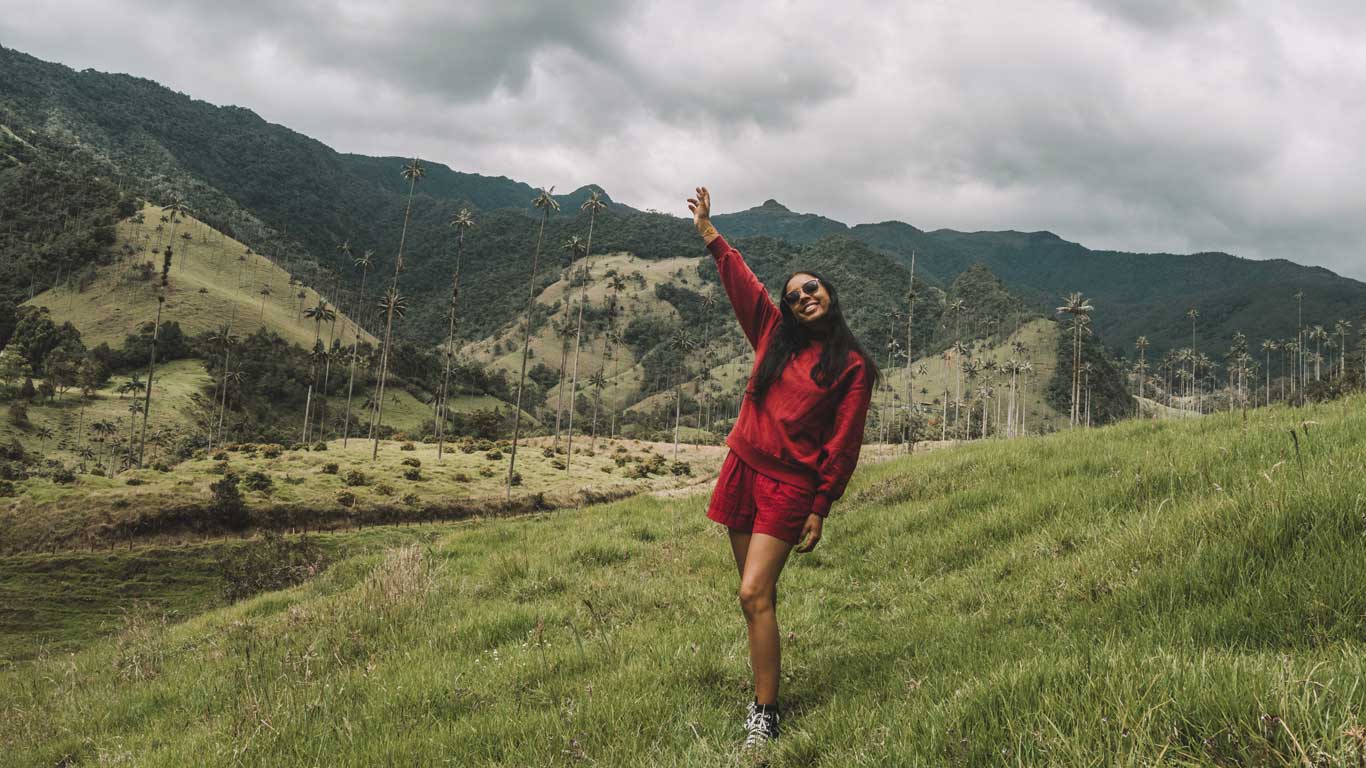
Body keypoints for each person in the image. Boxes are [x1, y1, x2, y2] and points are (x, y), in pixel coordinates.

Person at [686, 186, 878, 748]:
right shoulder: (773, 335)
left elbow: (843, 445)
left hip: (789, 487)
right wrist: (708, 231)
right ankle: (763, 694)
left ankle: (765, 715)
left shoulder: (853, 367)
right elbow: (741, 284)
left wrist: (822, 506)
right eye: (793, 296)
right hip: (742, 468)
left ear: (830, 294)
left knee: (752, 594)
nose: (802, 298)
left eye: (810, 288)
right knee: (758, 599)